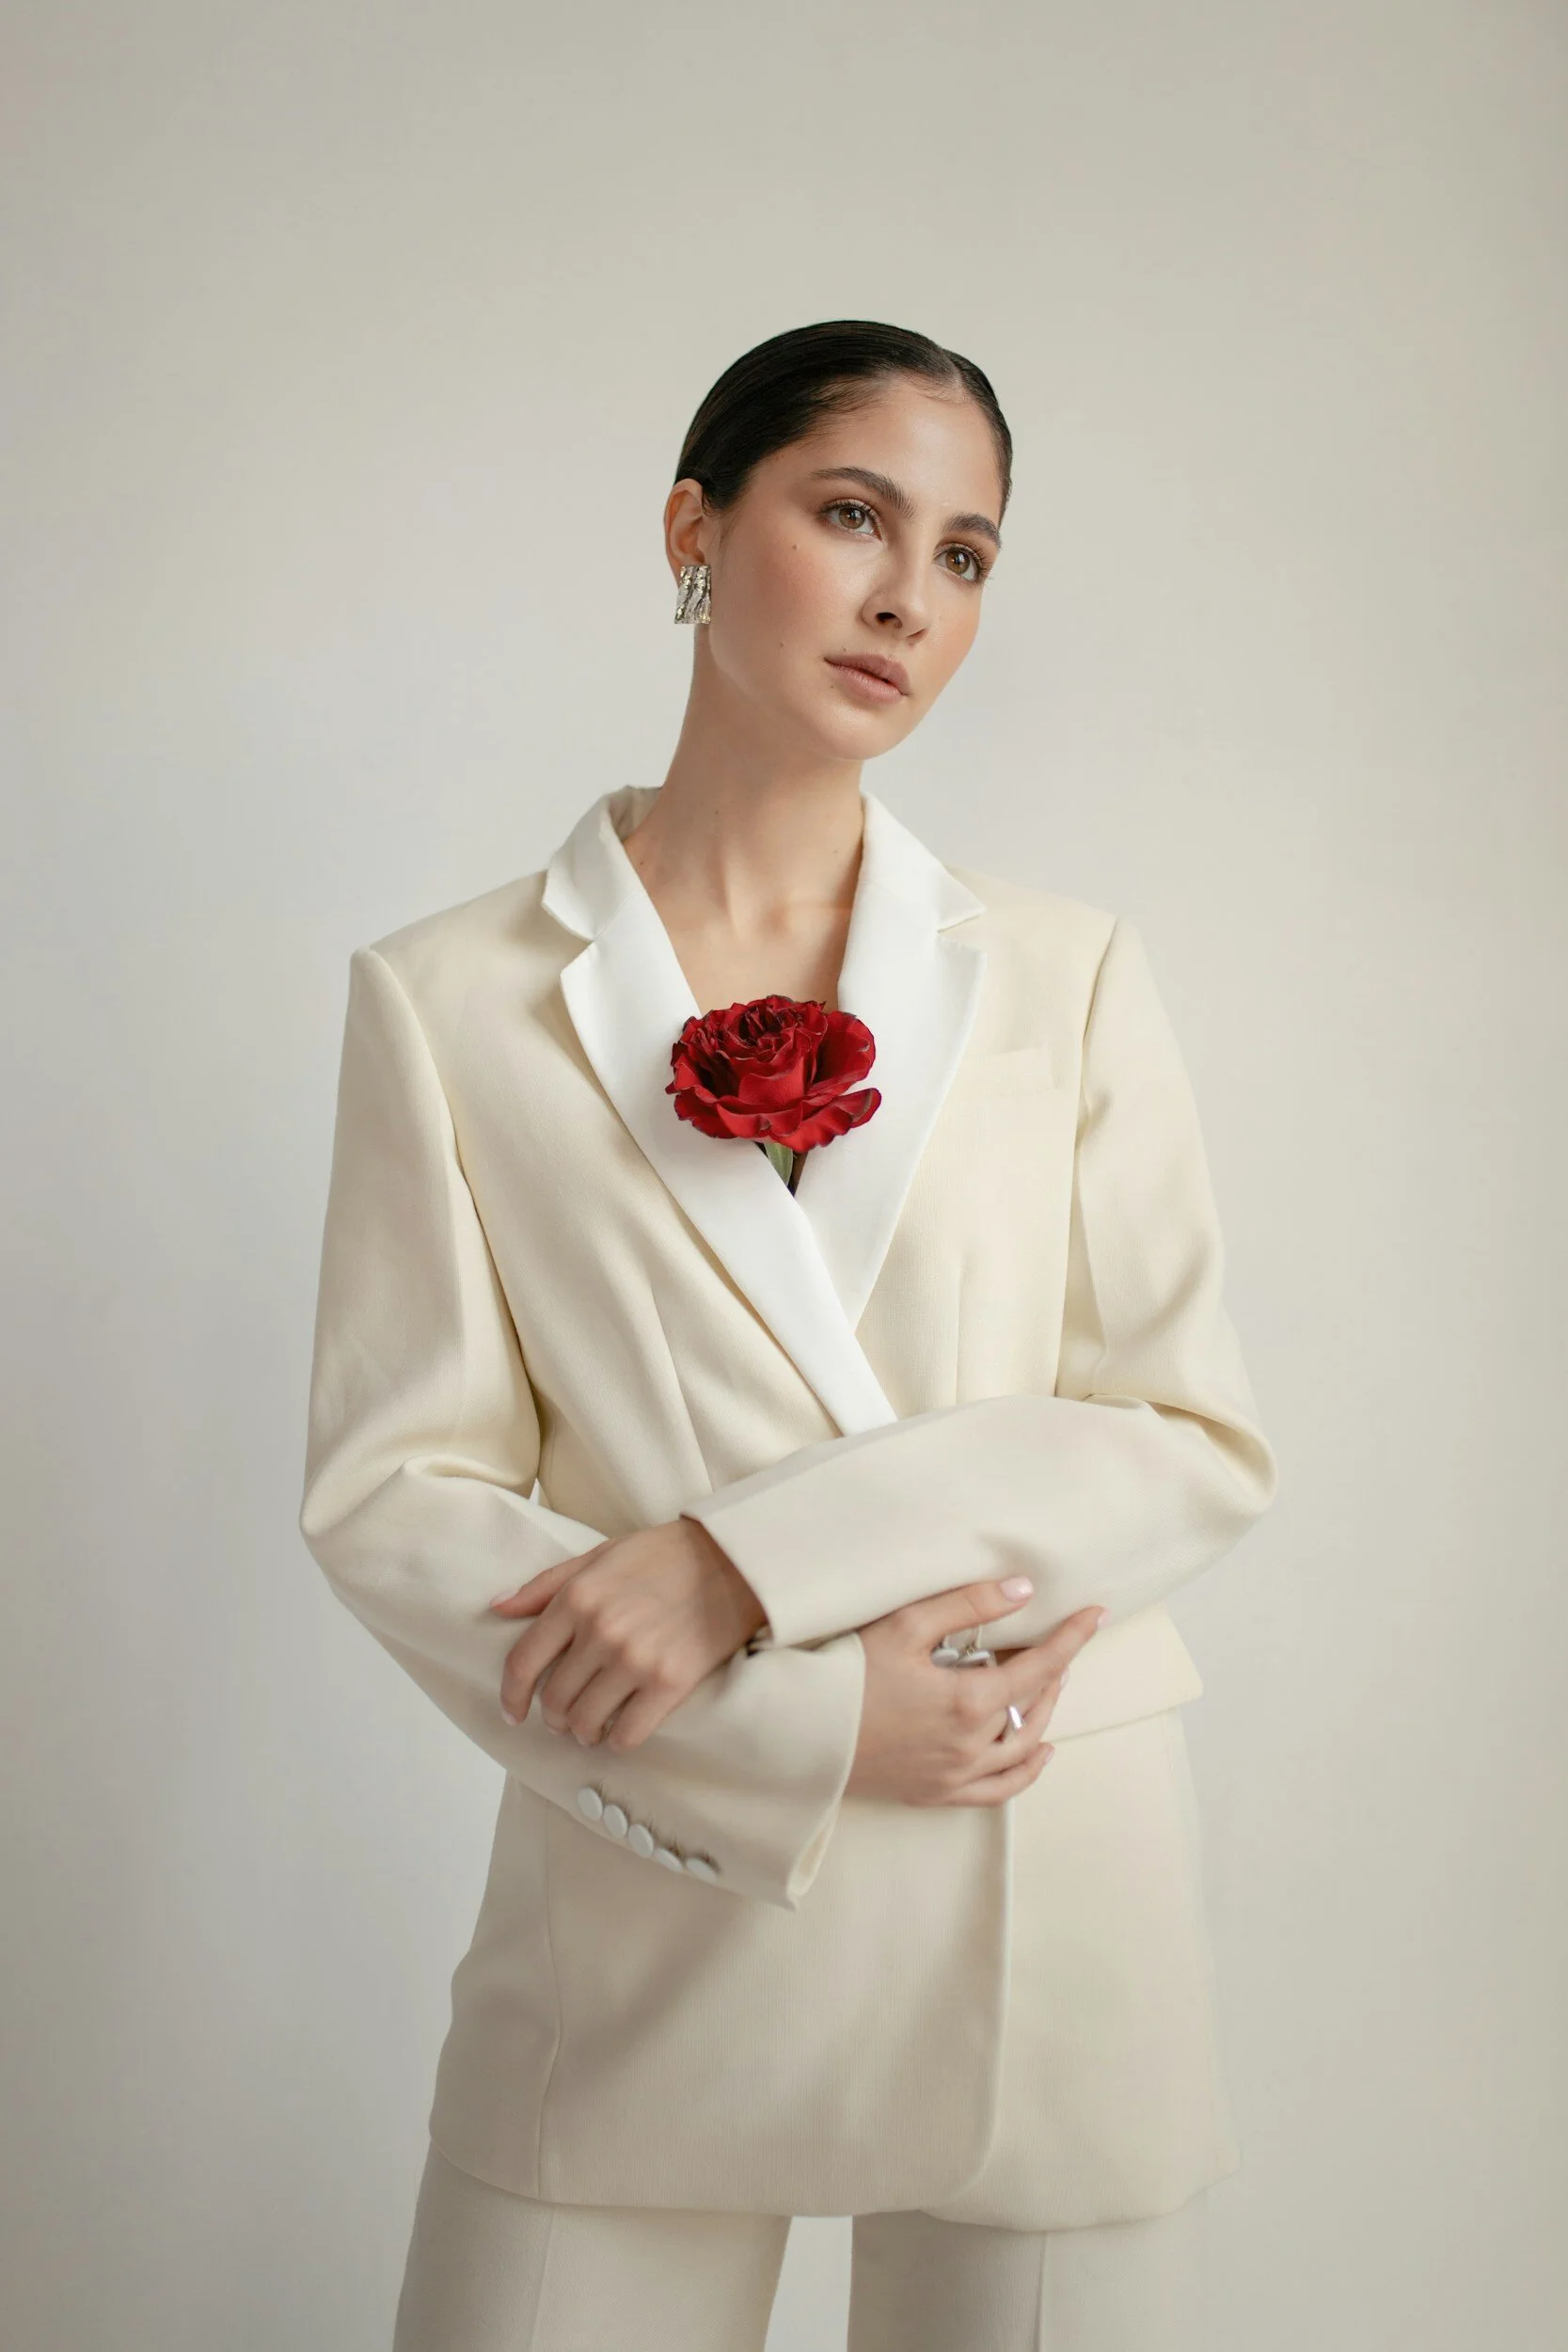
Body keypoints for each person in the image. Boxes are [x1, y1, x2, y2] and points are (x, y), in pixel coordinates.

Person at [297, 318, 1278, 2352]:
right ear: (692, 525)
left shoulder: (1066, 973)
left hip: (1044, 1876)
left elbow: (1183, 1436)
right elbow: (396, 1498)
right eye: (851, 514)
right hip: (658, 1890)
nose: (909, 596)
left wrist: (742, 1559)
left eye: (968, 553)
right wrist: (811, 1722)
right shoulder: (448, 995)